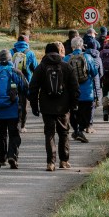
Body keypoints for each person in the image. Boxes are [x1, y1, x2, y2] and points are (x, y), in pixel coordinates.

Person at [28, 43, 79, 171]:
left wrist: (34, 106)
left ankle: (50, 163)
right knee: (64, 133)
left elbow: (33, 88)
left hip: (46, 106)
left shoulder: (41, 68)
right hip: (64, 106)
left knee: (49, 134)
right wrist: (74, 104)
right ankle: (64, 160)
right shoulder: (66, 67)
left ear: (46, 53)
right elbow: (74, 88)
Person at [0, 50, 28, 168]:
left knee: (1, 133)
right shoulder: (16, 72)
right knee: (14, 133)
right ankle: (12, 156)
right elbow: (25, 88)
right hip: (13, 108)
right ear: (10, 59)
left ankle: (1, 158)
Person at [64, 37, 98, 142]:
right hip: (87, 92)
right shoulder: (88, 57)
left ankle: (76, 131)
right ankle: (80, 131)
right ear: (82, 45)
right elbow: (94, 72)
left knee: (73, 113)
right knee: (85, 114)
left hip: (72, 92)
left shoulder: (66, 59)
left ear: (72, 46)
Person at [9, 34, 38, 132]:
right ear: (27, 42)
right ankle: (22, 126)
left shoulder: (11, 52)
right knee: (24, 104)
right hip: (25, 82)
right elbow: (36, 69)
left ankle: (14, 124)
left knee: (13, 102)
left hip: (13, 82)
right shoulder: (30, 53)